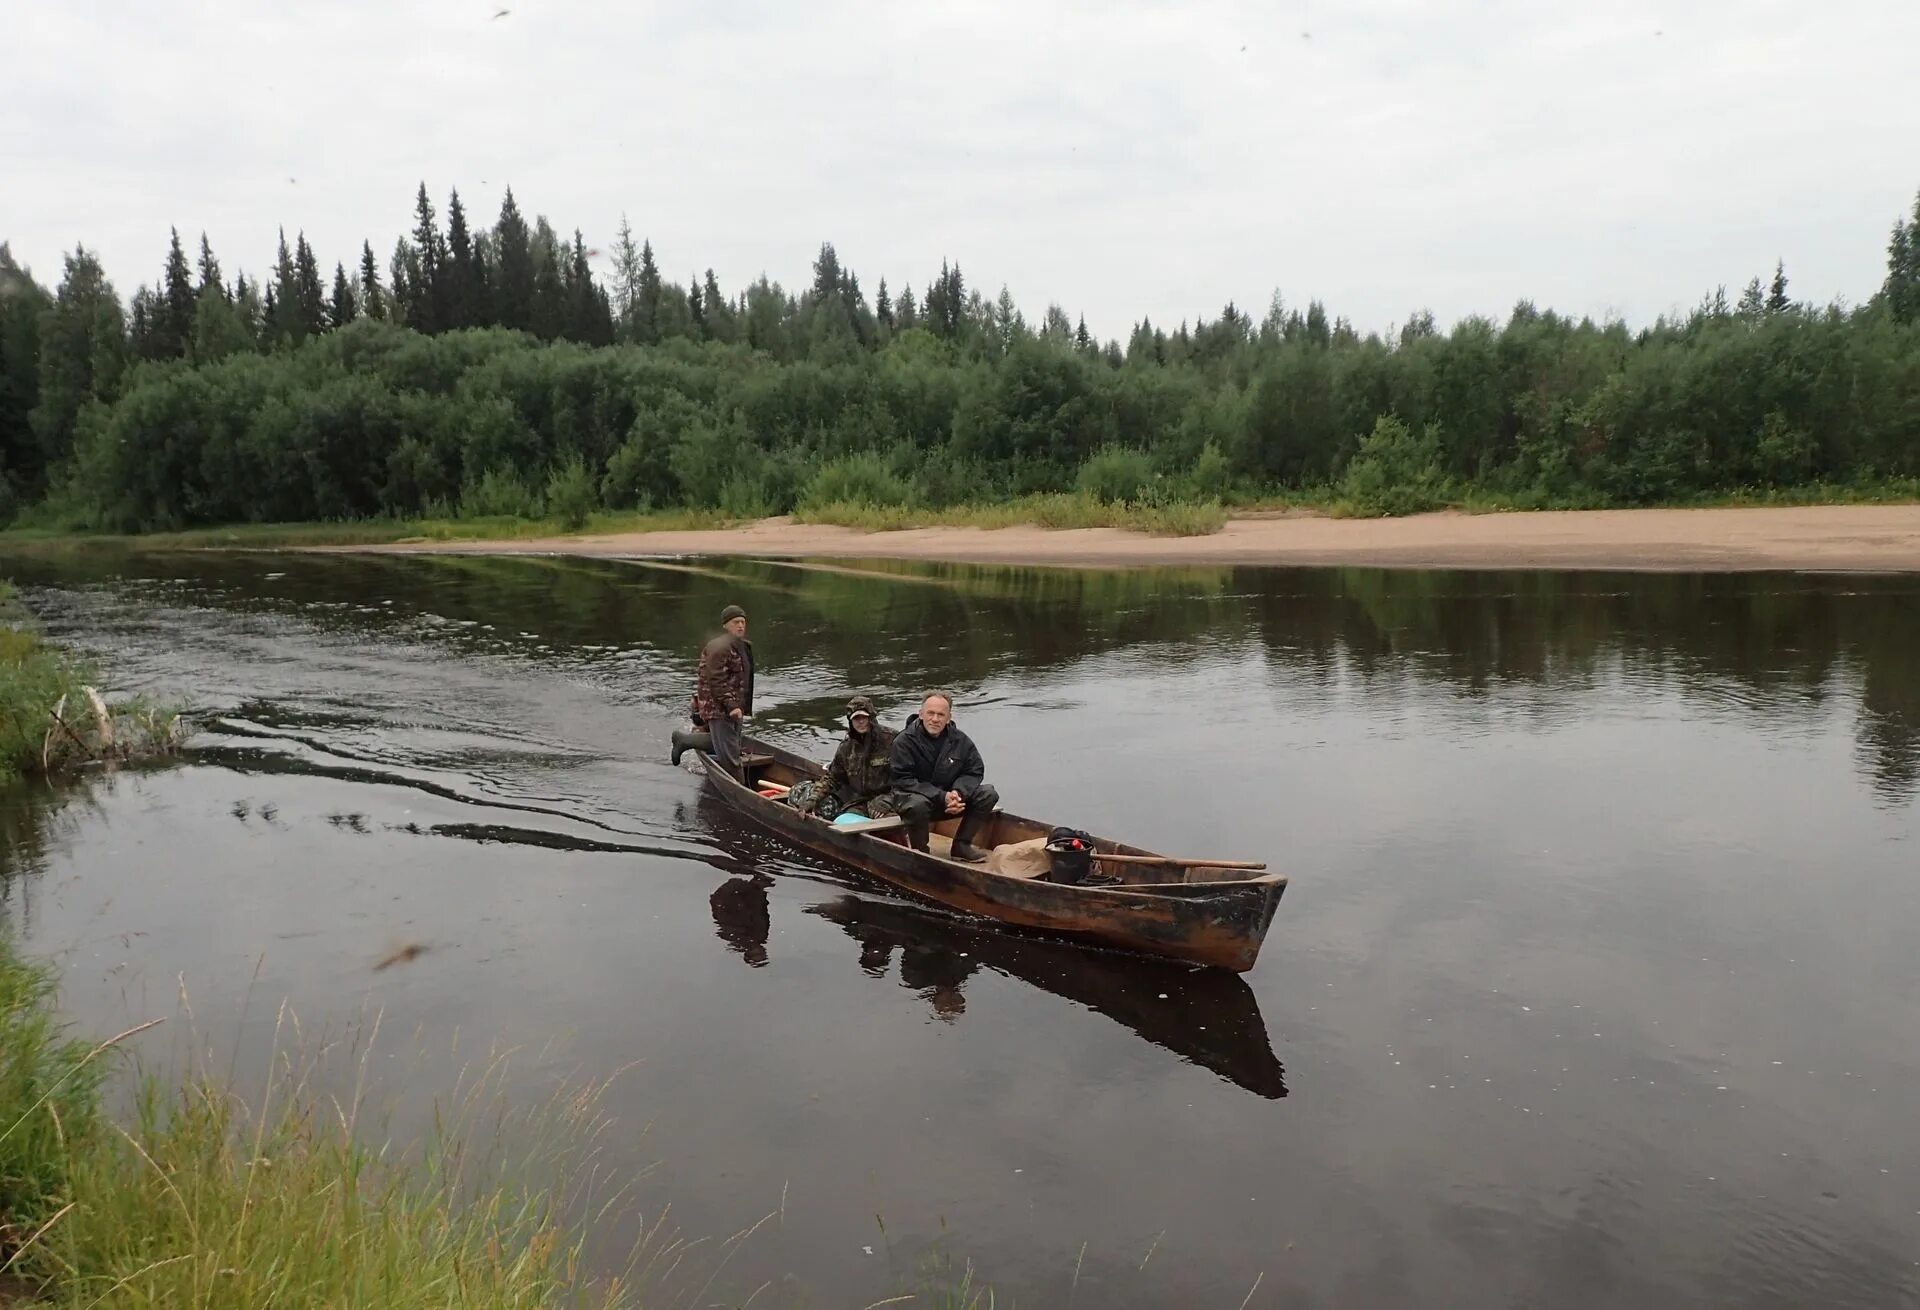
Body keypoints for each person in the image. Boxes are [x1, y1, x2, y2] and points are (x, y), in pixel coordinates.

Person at [888, 690, 998, 862]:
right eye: (930, 713)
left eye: (941, 715)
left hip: (950, 801)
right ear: (921, 714)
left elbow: (974, 770)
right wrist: (942, 796)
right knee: (918, 804)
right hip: (914, 801)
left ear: (948, 718)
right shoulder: (903, 742)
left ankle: (961, 846)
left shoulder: (961, 741)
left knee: (988, 794)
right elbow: (903, 780)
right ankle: (921, 853)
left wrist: (958, 794)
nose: (935, 719)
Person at [673, 604, 754, 776]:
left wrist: (740, 705)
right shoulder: (720, 647)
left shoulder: (741, 646)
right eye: (736, 622)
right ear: (725, 625)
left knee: (729, 744)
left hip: (733, 706)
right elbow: (716, 680)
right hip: (719, 708)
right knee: (731, 759)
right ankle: (738, 789)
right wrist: (731, 705)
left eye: (743, 622)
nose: (740, 625)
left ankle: (684, 740)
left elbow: (742, 680)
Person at [804, 695, 900, 821]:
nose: (860, 722)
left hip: (891, 800)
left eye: (864, 718)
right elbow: (833, 778)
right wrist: (812, 799)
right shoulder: (846, 747)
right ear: (850, 721)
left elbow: (908, 778)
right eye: (856, 718)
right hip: (860, 802)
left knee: (892, 824)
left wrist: (888, 800)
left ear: (871, 718)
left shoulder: (893, 740)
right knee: (843, 822)